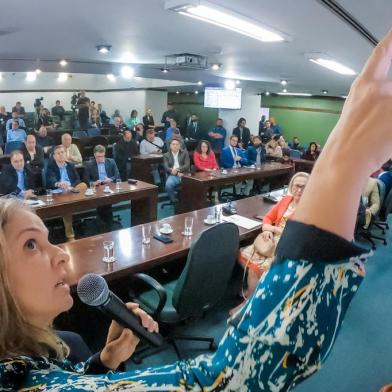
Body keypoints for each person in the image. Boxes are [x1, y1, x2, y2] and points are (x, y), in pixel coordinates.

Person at [0, 24, 390, 392]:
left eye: (47, 239)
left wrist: (103, 363)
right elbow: (230, 381)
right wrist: (343, 163)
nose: (60, 254)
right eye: (30, 245)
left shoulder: (42, 356)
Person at [237, 172, 310, 305]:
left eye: (304, 187)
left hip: (287, 246)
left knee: (255, 268)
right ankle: (253, 293)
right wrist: (267, 229)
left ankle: (247, 305)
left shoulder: (309, 209)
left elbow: (299, 235)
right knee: (241, 255)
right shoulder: (286, 200)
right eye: (296, 186)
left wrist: (274, 229)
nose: (299, 190)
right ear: (291, 186)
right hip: (270, 240)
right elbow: (268, 217)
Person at [46, 145, 87, 240]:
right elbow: (50, 180)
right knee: (67, 207)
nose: (61, 155)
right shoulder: (51, 166)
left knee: (84, 185)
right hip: (59, 193)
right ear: (54, 156)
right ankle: (70, 236)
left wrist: (71, 187)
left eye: (62, 152)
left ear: (65, 154)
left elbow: (77, 179)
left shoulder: (70, 165)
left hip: (71, 190)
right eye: (58, 153)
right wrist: (58, 184)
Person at [84, 145, 121, 229]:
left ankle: (105, 223)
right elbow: (86, 180)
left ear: (104, 154)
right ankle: (105, 223)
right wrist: (93, 183)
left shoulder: (111, 161)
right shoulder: (89, 164)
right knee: (103, 202)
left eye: (102, 156)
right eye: (98, 157)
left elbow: (117, 176)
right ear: (94, 155)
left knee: (106, 201)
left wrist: (110, 179)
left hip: (109, 186)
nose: (100, 159)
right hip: (97, 188)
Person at [163, 138, 190, 203]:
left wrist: (178, 170)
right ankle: (174, 200)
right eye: (173, 144)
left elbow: (187, 165)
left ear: (180, 145)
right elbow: (166, 167)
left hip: (184, 174)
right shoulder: (166, 155)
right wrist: (173, 171)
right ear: (170, 146)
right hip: (173, 175)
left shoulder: (184, 153)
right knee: (168, 185)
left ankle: (188, 201)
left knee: (193, 184)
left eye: (177, 144)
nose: (175, 146)